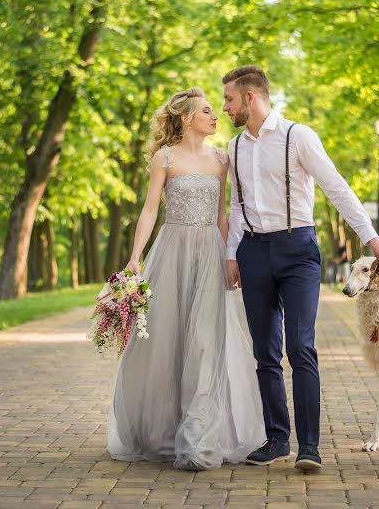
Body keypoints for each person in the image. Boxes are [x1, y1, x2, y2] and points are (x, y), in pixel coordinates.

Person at [222, 65, 379, 470]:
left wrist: (370, 237)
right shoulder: (234, 148)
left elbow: (336, 186)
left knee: (300, 347)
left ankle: (310, 447)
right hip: (252, 251)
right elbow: (235, 205)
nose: (225, 107)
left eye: (230, 99)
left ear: (250, 97)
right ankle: (276, 439)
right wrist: (232, 254)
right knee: (265, 352)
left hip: (298, 249)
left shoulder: (296, 136)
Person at [107, 87, 266, 471]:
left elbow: (223, 216)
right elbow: (148, 212)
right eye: (208, 111)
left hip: (210, 253)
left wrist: (232, 257)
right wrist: (134, 257)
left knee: (204, 342)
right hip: (172, 251)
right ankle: (164, 430)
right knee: (169, 339)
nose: (216, 116)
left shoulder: (221, 160)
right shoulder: (164, 158)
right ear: (186, 118)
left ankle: (198, 439)